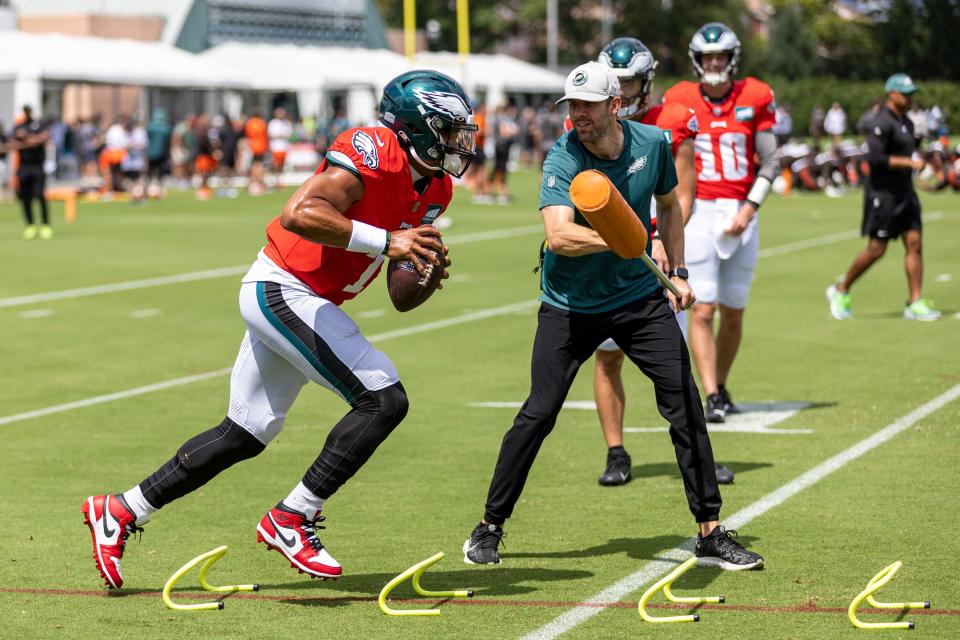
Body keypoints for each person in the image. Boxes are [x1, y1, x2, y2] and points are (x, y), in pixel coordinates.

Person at [81, 70, 478, 590]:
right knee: (384, 399)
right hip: (282, 286)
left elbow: (400, 298)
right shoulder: (375, 150)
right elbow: (299, 212)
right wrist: (387, 242)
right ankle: (294, 515)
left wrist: (424, 274)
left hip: (308, 297)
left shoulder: (437, 188)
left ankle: (122, 509)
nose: (458, 144)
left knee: (245, 432)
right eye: (448, 131)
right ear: (414, 128)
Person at [462, 62, 764, 571]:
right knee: (540, 411)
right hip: (570, 306)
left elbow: (670, 206)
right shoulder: (563, 157)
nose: (576, 115)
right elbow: (558, 235)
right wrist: (624, 240)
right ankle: (489, 526)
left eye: (587, 106)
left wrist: (682, 268)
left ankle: (710, 532)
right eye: (571, 106)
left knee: (684, 401)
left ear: (614, 106)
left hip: (639, 300)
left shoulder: (652, 145)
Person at [591, 37, 735, 487]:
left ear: (647, 83)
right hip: (606, 256)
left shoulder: (671, 123)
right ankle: (616, 452)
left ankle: (698, 457)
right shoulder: (587, 123)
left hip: (653, 255)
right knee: (608, 358)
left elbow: (683, 197)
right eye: (615, 84)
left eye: (630, 84)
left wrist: (657, 243)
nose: (622, 94)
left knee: (674, 363)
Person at [663, 23, 779, 424]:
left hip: (741, 210)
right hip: (696, 209)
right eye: (708, 56)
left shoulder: (756, 95)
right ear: (697, 59)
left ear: (733, 58)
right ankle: (711, 392)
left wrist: (748, 210)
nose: (715, 63)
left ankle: (721, 383)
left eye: (721, 56)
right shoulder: (678, 98)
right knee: (704, 308)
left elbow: (772, 160)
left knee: (733, 310)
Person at [826, 74, 940, 322]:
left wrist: (917, 174)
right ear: (892, 94)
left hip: (905, 193)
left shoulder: (907, 123)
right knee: (876, 250)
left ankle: (915, 301)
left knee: (915, 243)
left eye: (912, 93)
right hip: (882, 195)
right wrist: (910, 162)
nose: (910, 97)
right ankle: (841, 289)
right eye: (905, 93)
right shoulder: (880, 122)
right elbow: (875, 159)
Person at [11, 106, 53, 240]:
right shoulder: (19, 126)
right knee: (25, 198)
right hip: (24, 167)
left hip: (37, 166)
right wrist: (30, 141)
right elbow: (12, 143)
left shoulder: (39, 125)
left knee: (40, 196)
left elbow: (43, 138)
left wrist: (26, 140)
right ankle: (30, 225)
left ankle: (45, 225)